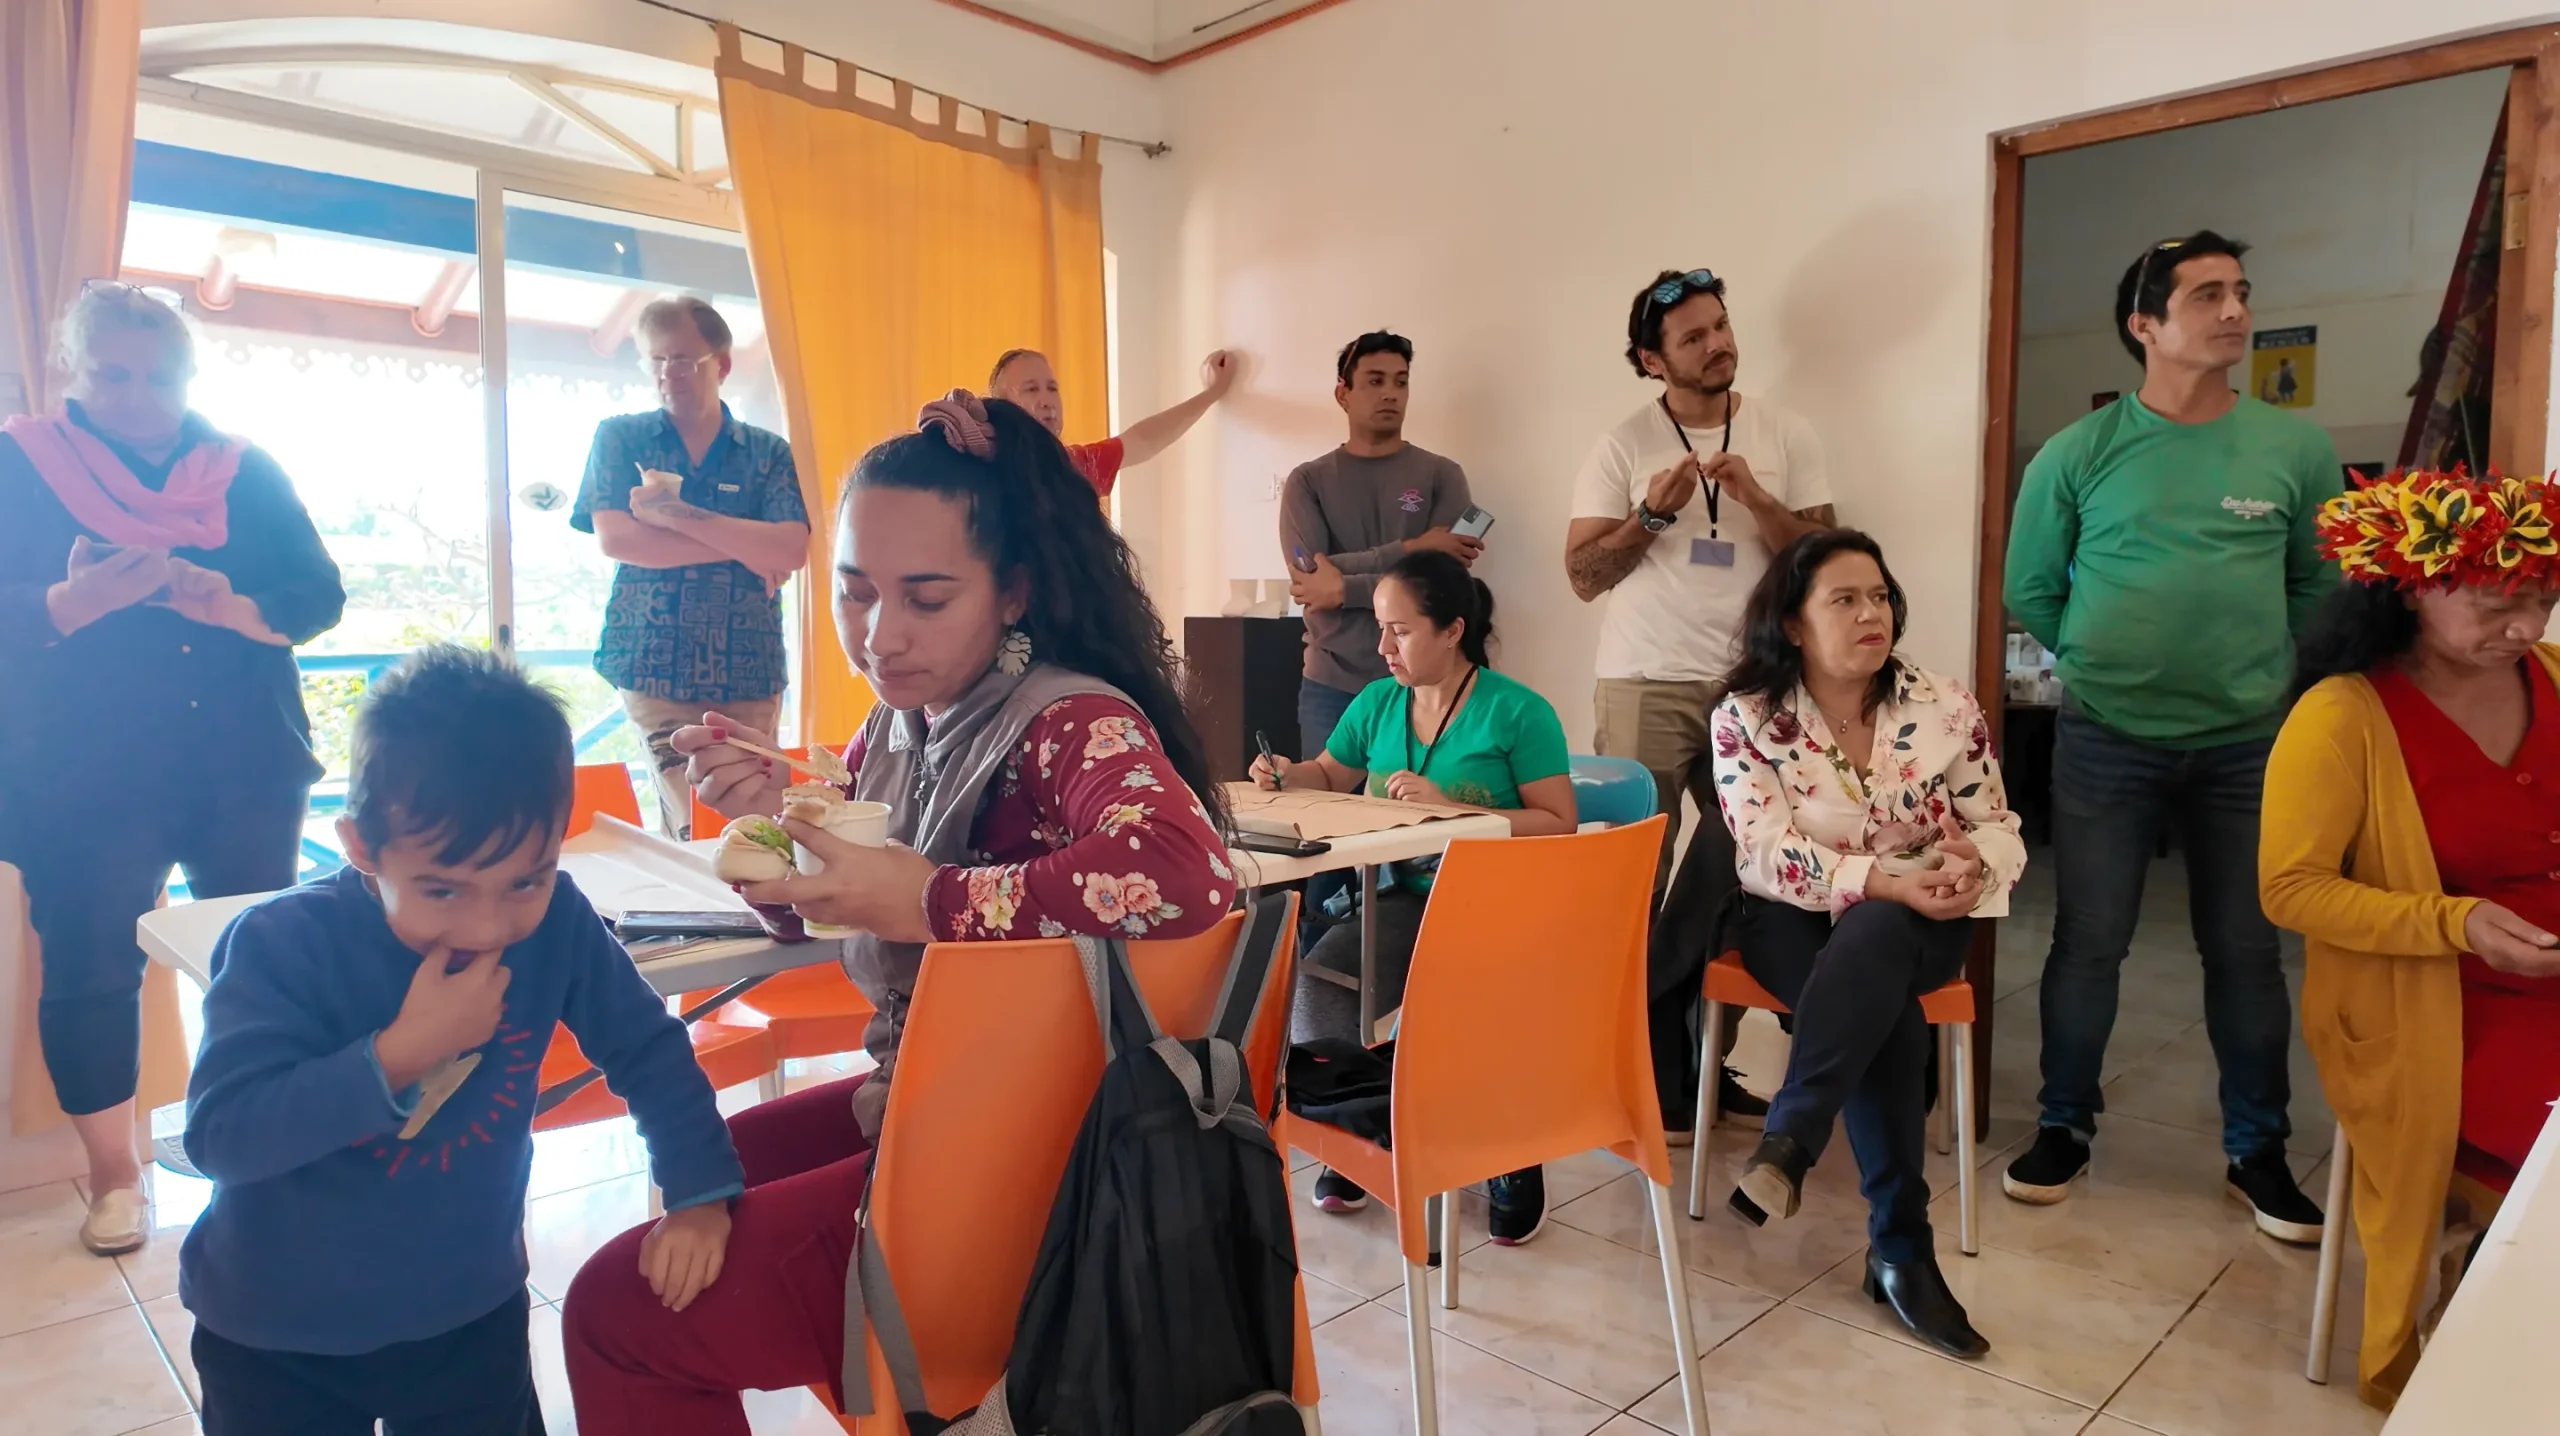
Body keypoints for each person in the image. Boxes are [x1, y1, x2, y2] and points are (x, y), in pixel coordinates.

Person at [561, 391, 1233, 1434]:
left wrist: (926, 897)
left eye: (926, 598)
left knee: (614, 1311)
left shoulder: (1068, 717)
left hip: (1035, 1156)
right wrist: (783, 833)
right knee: (704, 1176)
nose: (881, 636)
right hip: (928, 1101)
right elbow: (849, 912)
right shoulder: (898, 724)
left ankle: (916, 1378)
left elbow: (1188, 872)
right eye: (855, 592)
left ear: (1013, 591)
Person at [178, 645, 741, 1434]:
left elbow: (647, 1049)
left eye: (525, 880)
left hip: (468, 1314)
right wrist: (399, 1054)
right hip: (276, 1332)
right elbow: (222, 1137)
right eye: (442, 890)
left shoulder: (559, 920)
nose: (486, 926)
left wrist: (699, 1193)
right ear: (361, 847)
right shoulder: (282, 944)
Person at [2001, 230, 2339, 1237]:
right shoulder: (2078, 452)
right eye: (2206, 295)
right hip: (2107, 737)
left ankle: (2257, 1150)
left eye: (2240, 291)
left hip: (2247, 743)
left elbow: (2318, 585)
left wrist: (2262, 669)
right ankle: (2063, 1125)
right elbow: (2031, 587)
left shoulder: (2294, 449)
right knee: (2088, 940)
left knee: (2245, 950)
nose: (2234, 311)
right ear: (2144, 324)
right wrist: (2100, 657)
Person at [0, 283, 344, 1256]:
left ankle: (259, 1144)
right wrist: (69, 603)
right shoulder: (21, 462)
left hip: (244, 759)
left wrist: (229, 605)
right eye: (114, 375)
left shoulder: (242, 468)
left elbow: (319, 594)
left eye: (162, 378)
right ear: (71, 369)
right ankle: (116, 1176)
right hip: (82, 772)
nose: (140, 398)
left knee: (260, 959)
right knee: (91, 969)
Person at [2261, 467, 2560, 1410]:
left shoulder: (2554, 679)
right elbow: (2289, 890)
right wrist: (2454, 922)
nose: (2526, 627)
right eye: (2497, 604)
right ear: (2409, 588)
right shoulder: (2344, 715)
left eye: (2543, 599)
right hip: (2431, 1006)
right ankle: (2494, 1354)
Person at [1710, 530, 2023, 1359]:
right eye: (1843, 600)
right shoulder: (1746, 717)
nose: (1869, 614)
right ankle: (1900, 1253)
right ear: (1792, 623)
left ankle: (1792, 1139)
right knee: (1881, 993)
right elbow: (1764, 852)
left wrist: (1974, 864)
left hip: (1925, 917)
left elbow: (1997, 824)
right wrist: (1878, 879)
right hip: (1790, 918)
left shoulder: (1942, 703)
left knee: (1879, 938)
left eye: (1878, 596)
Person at [1563, 267, 1835, 1141]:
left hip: (1755, 686)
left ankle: (1686, 1059)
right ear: (1652, 359)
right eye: (1693, 337)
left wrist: (1756, 498)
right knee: (1630, 881)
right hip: (1643, 681)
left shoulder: (1785, 433)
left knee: (1743, 869)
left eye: (1721, 327)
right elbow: (1583, 575)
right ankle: (1631, 1073)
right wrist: (1649, 514)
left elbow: (1825, 562)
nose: (1718, 345)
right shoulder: (1621, 445)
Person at [1251, 549, 1578, 1244]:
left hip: (1496, 903)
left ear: (1453, 630)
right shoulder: (1377, 702)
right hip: (1401, 898)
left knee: (1465, 1002)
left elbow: (1559, 822)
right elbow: (1329, 774)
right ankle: (1363, 1127)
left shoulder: (1517, 712)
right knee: (1323, 981)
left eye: (1399, 631)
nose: (1383, 647)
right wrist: (1286, 773)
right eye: (1380, 629)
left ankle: (1509, 1152)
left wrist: (1456, 812)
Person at [571, 296, 810, 839]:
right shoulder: (621, 438)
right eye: (654, 360)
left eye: (682, 359)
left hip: (748, 665)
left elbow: (791, 550)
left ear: (720, 364)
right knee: (691, 822)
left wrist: (674, 515)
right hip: (652, 662)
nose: (666, 373)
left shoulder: (767, 452)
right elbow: (618, 539)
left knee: (755, 825)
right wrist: (746, 544)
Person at [1280, 331, 1478, 760]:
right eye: (1374, 381)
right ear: (1343, 394)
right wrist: (1414, 549)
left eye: (1400, 382)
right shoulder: (1307, 481)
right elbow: (1311, 582)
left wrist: (1343, 587)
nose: (1391, 393)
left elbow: (1440, 587)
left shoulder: (1443, 475)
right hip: (1332, 685)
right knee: (1326, 802)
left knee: (1421, 802)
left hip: (1426, 686)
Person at [989, 345, 1236, 500]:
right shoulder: (984, 475)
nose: (1047, 401)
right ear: (1003, 407)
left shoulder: (1075, 467)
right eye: (1031, 389)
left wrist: (1212, 393)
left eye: (1052, 388)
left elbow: (1144, 440)